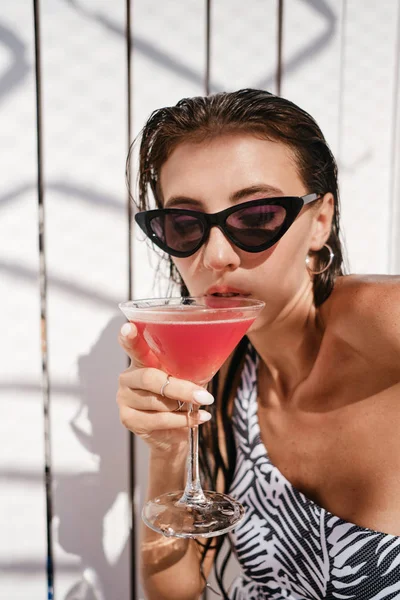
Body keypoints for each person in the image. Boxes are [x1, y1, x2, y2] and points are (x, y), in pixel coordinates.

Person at [116, 89, 400, 600]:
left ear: (319, 221)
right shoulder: (219, 379)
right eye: (185, 224)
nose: (216, 255)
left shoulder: (375, 320)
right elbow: (173, 593)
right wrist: (170, 451)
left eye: (256, 215)